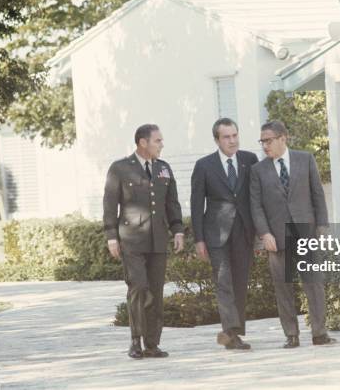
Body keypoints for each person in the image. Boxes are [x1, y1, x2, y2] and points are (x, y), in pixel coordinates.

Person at [249, 120, 335, 349]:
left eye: (268, 140)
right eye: (262, 141)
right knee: (282, 287)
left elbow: (317, 194)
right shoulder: (258, 170)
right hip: (276, 237)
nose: (265, 146)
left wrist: (323, 227)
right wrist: (264, 233)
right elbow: (255, 206)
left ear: (282, 138)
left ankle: (319, 333)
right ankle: (291, 335)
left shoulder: (305, 159)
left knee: (314, 284)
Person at [103, 124, 184, 359]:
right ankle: (135, 341)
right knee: (138, 288)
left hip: (158, 240)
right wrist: (111, 237)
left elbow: (172, 203)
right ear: (142, 143)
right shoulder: (120, 169)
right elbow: (110, 205)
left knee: (156, 291)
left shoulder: (164, 168)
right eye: (157, 141)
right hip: (132, 241)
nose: (161, 145)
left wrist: (178, 230)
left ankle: (152, 343)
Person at [190, 118, 258, 350]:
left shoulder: (250, 160)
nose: (232, 140)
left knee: (240, 283)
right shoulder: (204, 166)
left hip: (244, 231)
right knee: (224, 282)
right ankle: (232, 332)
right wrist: (199, 239)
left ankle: (232, 333)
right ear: (217, 140)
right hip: (216, 234)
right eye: (227, 137)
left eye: (235, 135)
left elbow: (256, 198)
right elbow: (197, 205)